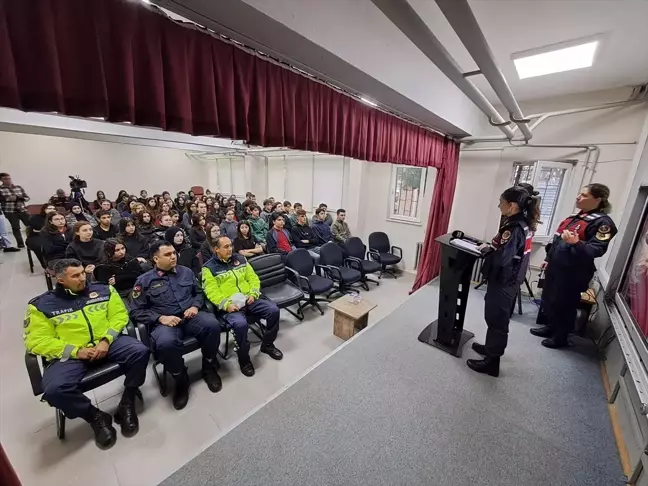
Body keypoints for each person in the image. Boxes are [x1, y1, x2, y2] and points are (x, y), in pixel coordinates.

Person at [25, 259, 149, 449]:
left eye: (83, 272)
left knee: (140, 351)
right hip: (71, 355)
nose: (83, 277)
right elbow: (37, 341)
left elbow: (120, 316)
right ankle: (96, 417)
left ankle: (127, 401)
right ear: (60, 279)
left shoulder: (104, 290)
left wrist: (106, 339)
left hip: (107, 343)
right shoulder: (41, 305)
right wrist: (76, 351)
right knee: (54, 390)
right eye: (75, 275)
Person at [130, 241, 222, 410]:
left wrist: (195, 306)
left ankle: (208, 367)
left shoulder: (186, 272)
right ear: (155, 259)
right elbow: (136, 311)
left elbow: (199, 292)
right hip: (165, 323)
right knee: (166, 343)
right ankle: (180, 379)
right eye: (167, 254)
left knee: (213, 325)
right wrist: (160, 318)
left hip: (190, 316)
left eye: (174, 253)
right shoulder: (143, 282)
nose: (173, 256)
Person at [530, 183, 618, 349]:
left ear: (598, 199)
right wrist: (549, 259)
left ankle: (561, 337)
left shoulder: (604, 224)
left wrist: (577, 243)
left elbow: (596, 250)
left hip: (574, 272)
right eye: (580, 193)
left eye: (584, 195)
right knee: (551, 299)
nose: (579, 197)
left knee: (565, 304)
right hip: (556, 267)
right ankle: (551, 327)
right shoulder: (574, 218)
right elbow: (557, 241)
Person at [466, 186, 540, 377]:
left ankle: (491, 363)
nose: (499, 205)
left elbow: (501, 259)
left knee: (497, 320)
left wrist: (486, 250)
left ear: (512, 205)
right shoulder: (523, 223)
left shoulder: (514, 228)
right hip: (511, 278)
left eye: (501, 202)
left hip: (504, 280)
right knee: (495, 318)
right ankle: (491, 349)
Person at [202, 235, 283, 377]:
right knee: (240, 325)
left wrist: (253, 294)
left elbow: (253, 278)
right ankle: (244, 359)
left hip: (249, 299)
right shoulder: (209, 268)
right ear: (216, 249)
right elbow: (211, 292)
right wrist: (226, 305)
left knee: (273, 310)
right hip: (230, 306)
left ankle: (267, 345)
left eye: (230, 245)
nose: (230, 249)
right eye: (225, 247)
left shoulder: (240, 259)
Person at [0, 172, 31, 248]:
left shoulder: (18, 187)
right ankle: (20, 244)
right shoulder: (0, 189)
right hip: (10, 212)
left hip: (22, 210)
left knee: (31, 225)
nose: (8, 180)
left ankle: (32, 240)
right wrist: (8, 199)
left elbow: (27, 198)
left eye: (9, 178)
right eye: (5, 179)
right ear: (1, 180)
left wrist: (19, 198)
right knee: (16, 227)